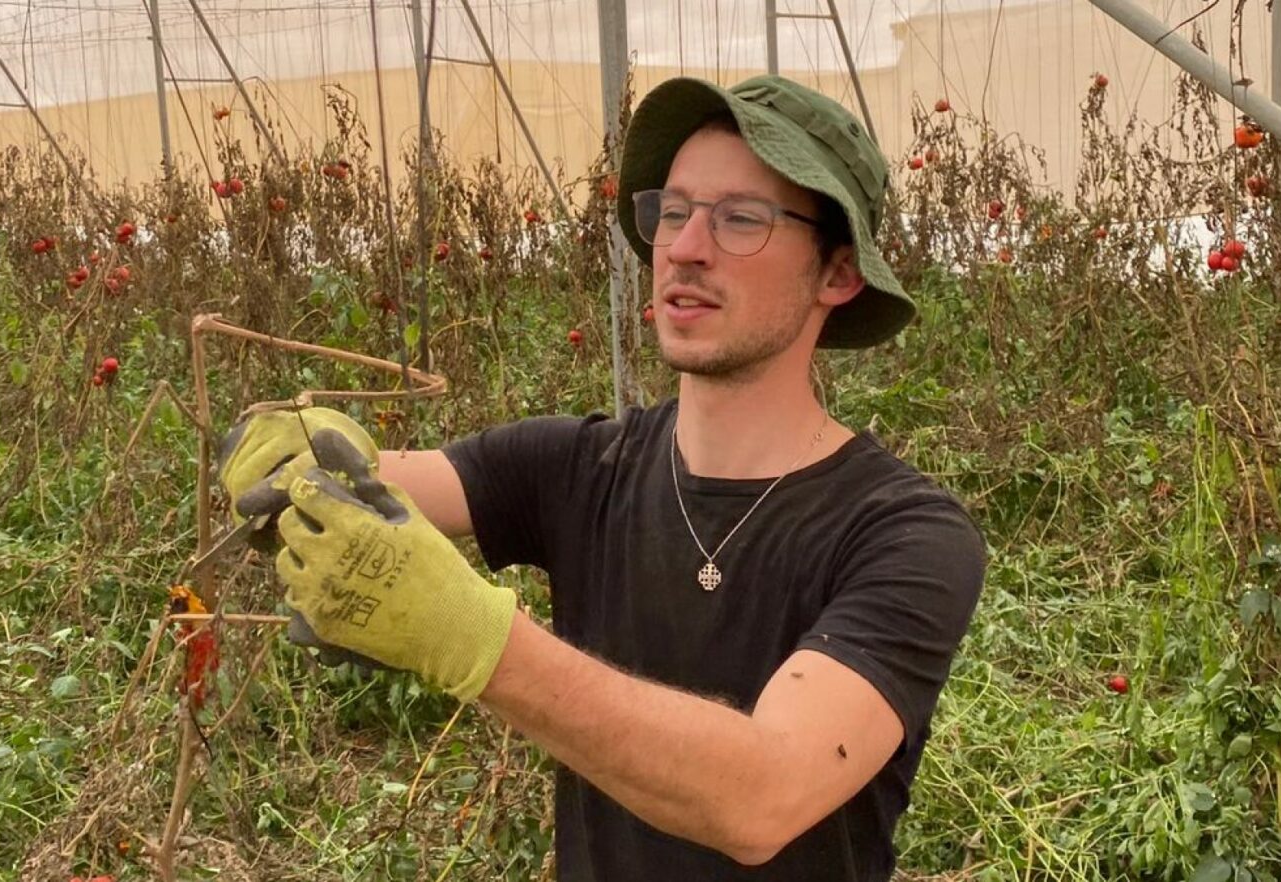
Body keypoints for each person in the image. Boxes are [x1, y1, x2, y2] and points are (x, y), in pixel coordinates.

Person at [217, 75, 987, 881]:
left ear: (838, 274)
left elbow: (763, 797)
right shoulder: (581, 469)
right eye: (676, 211)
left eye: (741, 219)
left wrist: (467, 633)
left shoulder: (904, 535)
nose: (685, 248)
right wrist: (300, 453)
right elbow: (371, 484)